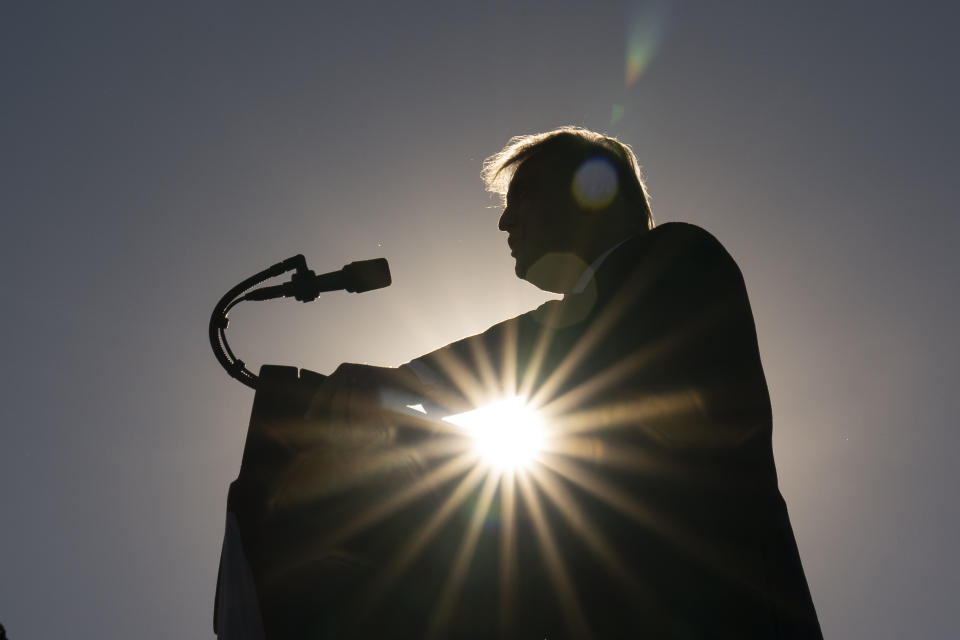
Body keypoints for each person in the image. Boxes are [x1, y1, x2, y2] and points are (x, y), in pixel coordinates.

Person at [216, 127, 823, 639]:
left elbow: (551, 344)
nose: (505, 220)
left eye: (523, 195)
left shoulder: (677, 257)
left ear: (590, 192)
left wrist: (392, 390)